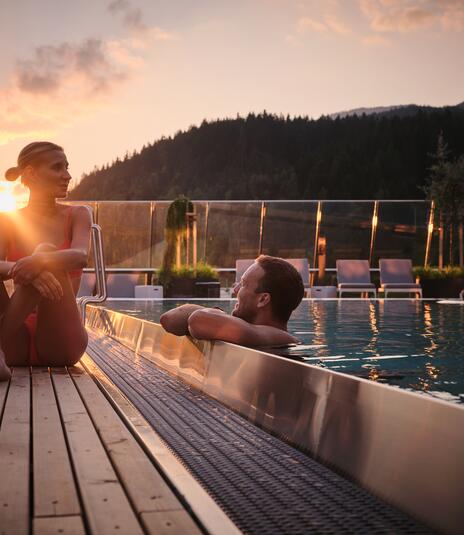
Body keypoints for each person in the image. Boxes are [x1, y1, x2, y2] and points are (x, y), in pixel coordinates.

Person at [0, 141, 91, 381]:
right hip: (14, 342)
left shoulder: (78, 214)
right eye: (57, 168)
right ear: (31, 173)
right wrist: (27, 268)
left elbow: (81, 256)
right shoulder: (7, 221)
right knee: (37, 261)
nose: (67, 175)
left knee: (44, 251)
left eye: (67, 167)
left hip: (61, 342)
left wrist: (40, 260)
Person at [160, 255, 304, 347]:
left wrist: (216, 315)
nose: (235, 290)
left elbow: (198, 320)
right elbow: (169, 319)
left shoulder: (279, 338)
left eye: (243, 284)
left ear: (262, 299)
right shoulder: (251, 333)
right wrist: (219, 316)